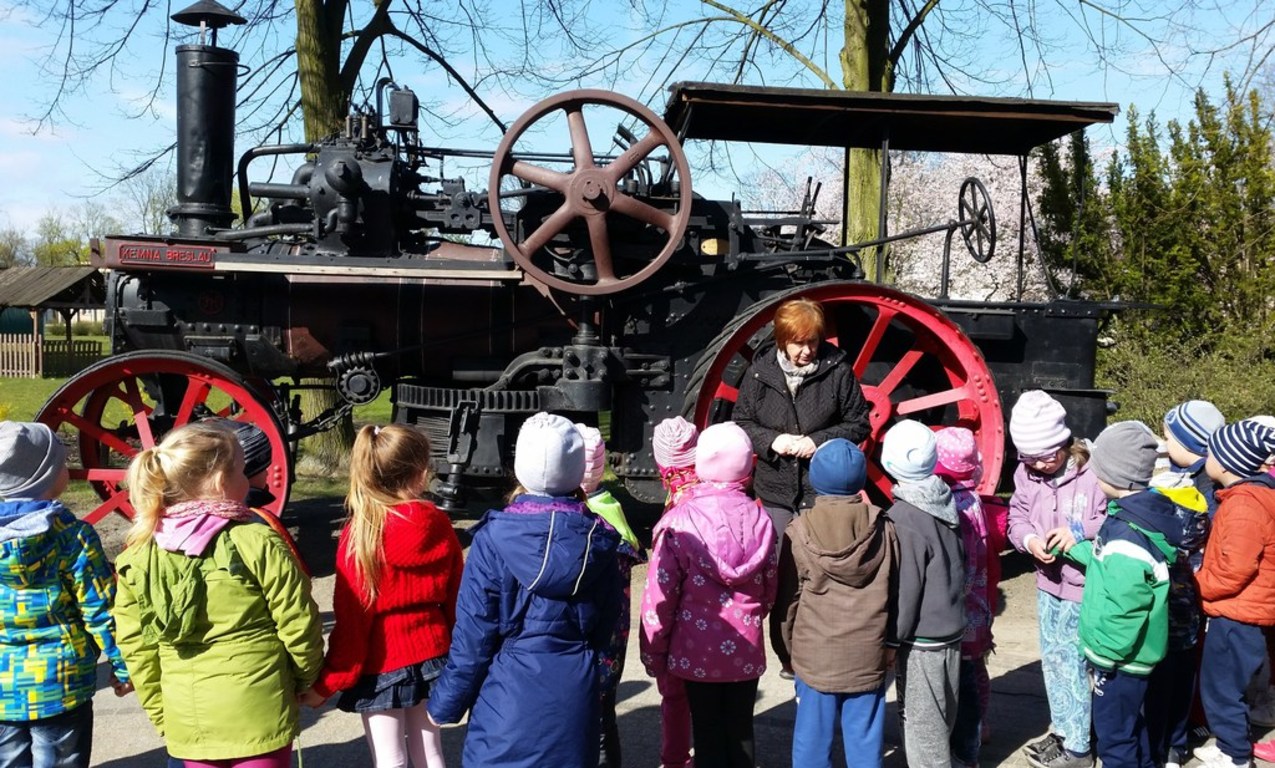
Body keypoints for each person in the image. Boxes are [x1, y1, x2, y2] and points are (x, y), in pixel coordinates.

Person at [112, 421, 324, 768]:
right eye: (242, 470)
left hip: (187, 718)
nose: (252, 477)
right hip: (261, 707)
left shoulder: (136, 556)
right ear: (221, 481)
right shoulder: (258, 540)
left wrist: (161, 711)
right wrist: (306, 679)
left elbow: (136, 646)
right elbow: (298, 620)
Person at [427, 412, 623, 768]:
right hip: (573, 695)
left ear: (520, 467)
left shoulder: (493, 540)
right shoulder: (600, 540)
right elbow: (606, 623)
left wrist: (446, 703)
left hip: (507, 700)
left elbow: (473, 636)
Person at [303, 425, 464, 768]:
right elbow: (456, 600)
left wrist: (329, 682)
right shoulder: (437, 521)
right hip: (435, 653)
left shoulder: (361, 533)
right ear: (420, 473)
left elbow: (353, 622)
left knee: (390, 758)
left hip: (382, 662)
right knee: (431, 751)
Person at [732, 297, 870, 675]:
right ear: (782, 340)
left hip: (819, 491)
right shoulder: (760, 373)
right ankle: (787, 658)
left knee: (822, 576)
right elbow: (741, 420)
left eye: (812, 342)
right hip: (775, 490)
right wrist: (770, 442)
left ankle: (821, 656)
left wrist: (818, 441)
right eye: (798, 343)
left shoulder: (838, 371)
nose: (807, 350)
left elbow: (860, 423)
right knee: (779, 576)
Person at [640, 422, 778, 768]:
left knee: (706, 733)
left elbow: (661, 595)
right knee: (741, 731)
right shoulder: (761, 519)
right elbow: (769, 586)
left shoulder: (679, 522)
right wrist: (753, 615)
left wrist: (654, 650)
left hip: (694, 652)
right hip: (744, 649)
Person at [0, 421, 132, 768]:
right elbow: (102, 607)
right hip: (62, 683)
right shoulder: (72, 537)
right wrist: (123, 665)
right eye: (60, 464)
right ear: (43, 478)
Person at [1061, 421, 1192, 768]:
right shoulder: (1138, 519)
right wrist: (1075, 548)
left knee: (1115, 739)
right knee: (1140, 731)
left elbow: (1125, 605)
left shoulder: (1124, 535)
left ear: (1111, 474)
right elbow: (1110, 562)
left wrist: (1103, 655)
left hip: (1119, 661)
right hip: (1141, 656)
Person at [778, 438, 897, 768]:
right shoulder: (885, 528)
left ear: (815, 479)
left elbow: (788, 602)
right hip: (868, 653)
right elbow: (896, 591)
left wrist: (786, 650)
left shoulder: (798, 531)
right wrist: (891, 643)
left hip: (815, 657)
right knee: (865, 743)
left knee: (811, 743)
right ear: (861, 480)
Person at [1006, 390, 1106, 768]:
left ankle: (1080, 747)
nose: (1041, 464)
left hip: (1085, 587)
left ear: (1065, 441)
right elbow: (1016, 517)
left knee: (1078, 664)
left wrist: (1078, 532)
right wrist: (1029, 540)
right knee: (1054, 660)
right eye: (1031, 457)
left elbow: (1115, 517)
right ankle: (1065, 730)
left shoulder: (1094, 473)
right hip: (1048, 584)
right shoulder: (1026, 472)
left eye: (1048, 455)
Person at [881, 419, 964, 768]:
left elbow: (906, 589)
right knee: (944, 714)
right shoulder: (944, 499)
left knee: (921, 726)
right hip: (952, 629)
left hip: (921, 639)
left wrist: (891, 640)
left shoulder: (902, 516)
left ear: (888, 464)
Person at [1193, 420, 1275, 768]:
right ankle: (1233, 742)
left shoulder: (1243, 506)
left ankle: (1234, 754)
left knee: (1222, 687)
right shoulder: (1260, 496)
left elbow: (1234, 570)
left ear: (1227, 462)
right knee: (1235, 684)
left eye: (1211, 451)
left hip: (1236, 613)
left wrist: (1197, 585)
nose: (1206, 457)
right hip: (1251, 610)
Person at [1146, 401, 1221, 768]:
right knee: (1182, 668)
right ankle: (1175, 743)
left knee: (1167, 672)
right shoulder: (1204, 479)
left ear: (1188, 443)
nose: (1163, 441)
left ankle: (1164, 745)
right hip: (1190, 595)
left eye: (1168, 436)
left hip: (1177, 588)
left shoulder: (1196, 490)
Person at [576, 423, 645, 768]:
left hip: (580, 644)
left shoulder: (582, 518)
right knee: (605, 720)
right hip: (612, 644)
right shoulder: (614, 511)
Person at [934, 426, 993, 768]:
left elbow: (964, 567)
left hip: (961, 611)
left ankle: (966, 750)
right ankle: (981, 727)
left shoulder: (953, 506)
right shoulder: (973, 498)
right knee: (976, 671)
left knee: (963, 683)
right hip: (979, 609)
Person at [649, 415, 699, 768]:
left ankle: (675, 760)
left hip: (678, 631)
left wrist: (650, 646)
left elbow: (658, 592)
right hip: (720, 633)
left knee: (676, 699)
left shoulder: (671, 520)